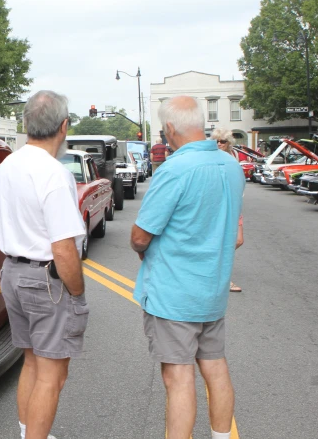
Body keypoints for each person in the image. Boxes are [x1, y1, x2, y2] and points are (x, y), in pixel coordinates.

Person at [130, 96, 244, 439]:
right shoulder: (231, 166)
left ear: (168, 129)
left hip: (174, 294)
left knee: (178, 378)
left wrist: (144, 249)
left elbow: (139, 236)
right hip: (213, 288)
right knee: (215, 367)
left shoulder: (174, 170)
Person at [0, 90, 87, 439]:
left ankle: (28, 432)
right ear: (63, 127)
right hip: (45, 281)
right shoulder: (54, 173)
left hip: (13, 273)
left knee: (31, 362)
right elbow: (63, 248)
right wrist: (77, 293)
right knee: (52, 374)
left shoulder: (8, 165)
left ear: (26, 124)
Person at [212, 128, 245, 293]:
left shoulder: (234, 157)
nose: (219, 144)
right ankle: (222, 278)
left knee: (238, 240)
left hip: (234, 203)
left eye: (222, 141)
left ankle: (213, 267)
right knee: (223, 241)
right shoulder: (211, 158)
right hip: (217, 205)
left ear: (229, 143)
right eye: (216, 141)